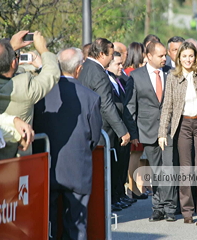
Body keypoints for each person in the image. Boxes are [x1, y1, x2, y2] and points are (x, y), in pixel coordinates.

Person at [33, 47, 102, 240]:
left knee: (48, 224)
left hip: (47, 167)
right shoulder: (91, 97)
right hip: (78, 168)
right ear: (79, 69)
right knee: (77, 225)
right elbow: (95, 136)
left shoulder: (41, 94)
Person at [158, 41, 197, 224]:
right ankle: (187, 211)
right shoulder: (173, 77)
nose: (188, 59)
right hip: (183, 126)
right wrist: (162, 133)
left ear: (195, 57)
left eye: (191, 56)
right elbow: (167, 107)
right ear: (178, 58)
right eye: (184, 56)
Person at [78, 38, 132, 212]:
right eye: (110, 55)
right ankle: (102, 209)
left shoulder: (85, 67)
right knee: (103, 171)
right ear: (101, 54)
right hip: (100, 131)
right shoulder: (99, 73)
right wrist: (122, 131)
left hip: (86, 128)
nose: (112, 59)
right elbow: (106, 105)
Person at [126, 40, 177, 222]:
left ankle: (170, 207)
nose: (165, 58)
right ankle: (158, 207)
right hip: (147, 131)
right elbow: (131, 105)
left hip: (169, 130)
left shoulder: (170, 73)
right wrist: (133, 133)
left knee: (169, 169)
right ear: (148, 56)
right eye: (161, 56)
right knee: (156, 171)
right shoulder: (136, 76)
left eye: (165, 55)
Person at [0, 30, 60, 160]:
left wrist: (10, 48)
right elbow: (51, 74)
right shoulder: (23, 86)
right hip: (15, 161)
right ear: (14, 63)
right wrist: (43, 49)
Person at [106, 51, 139, 211]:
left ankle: (119, 194)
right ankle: (113, 197)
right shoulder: (106, 80)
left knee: (121, 165)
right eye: (118, 64)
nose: (122, 66)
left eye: (121, 63)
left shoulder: (119, 80)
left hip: (123, 128)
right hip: (113, 131)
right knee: (114, 166)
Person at [123, 42, 150, 200]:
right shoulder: (134, 73)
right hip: (136, 120)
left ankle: (135, 187)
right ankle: (133, 188)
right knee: (135, 154)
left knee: (137, 154)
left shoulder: (130, 72)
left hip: (138, 120)